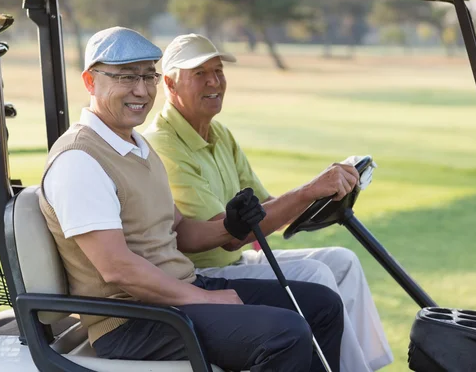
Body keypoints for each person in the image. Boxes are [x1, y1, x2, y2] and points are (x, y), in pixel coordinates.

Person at [37, 26, 346, 372]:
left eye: (147, 76)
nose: (141, 89)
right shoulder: (80, 160)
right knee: (285, 335)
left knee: (322, 305)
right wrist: (205, 298)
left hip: (176, 294)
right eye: (125, 77)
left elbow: (179, 230)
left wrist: (230, 226)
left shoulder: (136, 146)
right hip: (131, 321)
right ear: (91, 82)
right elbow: (117, 268)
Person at [143, 33, 394, 371]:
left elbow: (266, 205)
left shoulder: (220, 134)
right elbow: (232, 235)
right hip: (202, 273)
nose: (214, 81)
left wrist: (324, 193)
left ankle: (364, 366)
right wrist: (309, 191)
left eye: (218, 71)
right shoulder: (164, 144)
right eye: (200, 74)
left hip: (236, 262)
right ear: (171, 86)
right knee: (316, 274)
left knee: (342, 260)